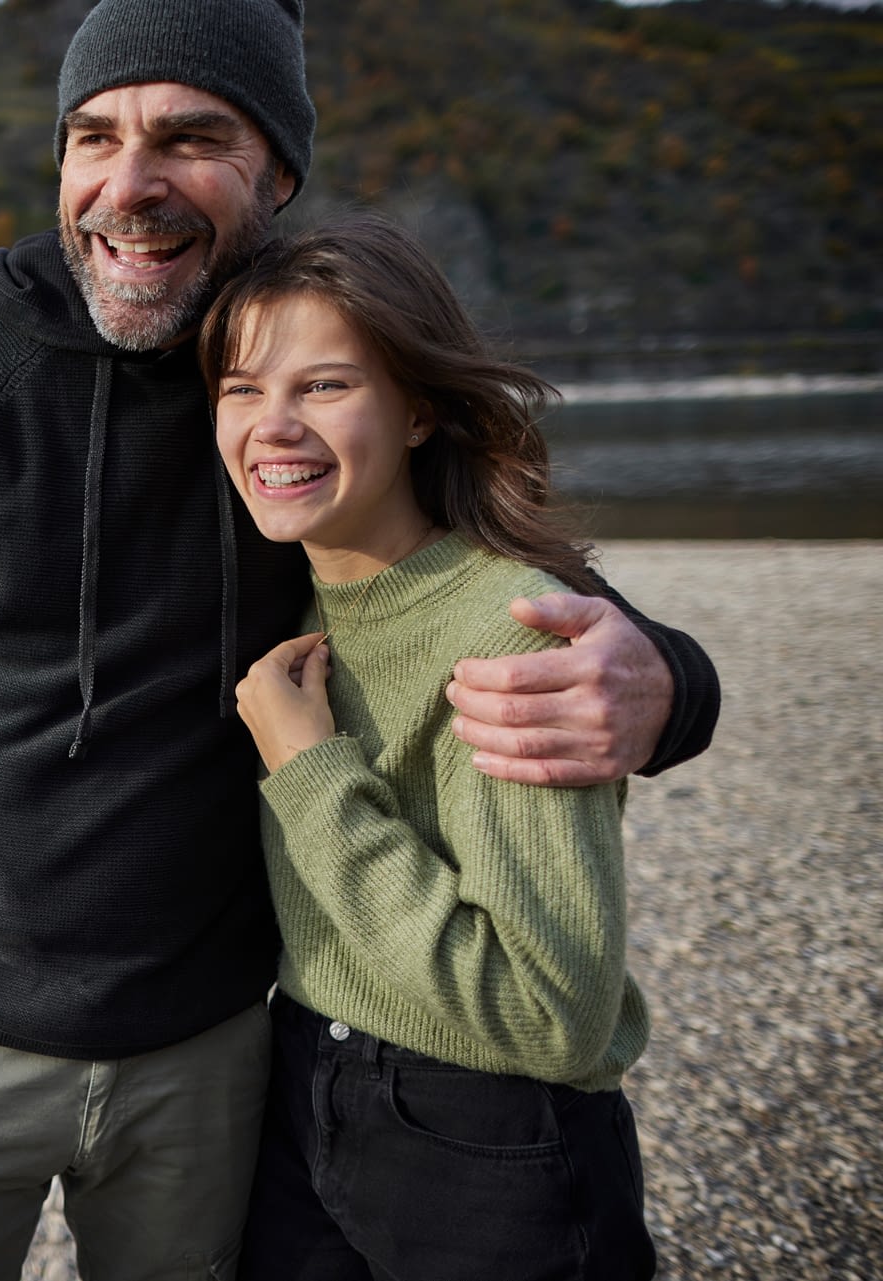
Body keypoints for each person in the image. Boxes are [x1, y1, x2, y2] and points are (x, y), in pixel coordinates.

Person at [0, 0, 718, 1276]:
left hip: (211, 1053)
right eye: (93, 137)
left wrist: (672, 688)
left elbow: (501, 570)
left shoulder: (294, 372)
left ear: (279, 173)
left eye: (189, 137)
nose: (129, 185)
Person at [204, 213, 662, 1279]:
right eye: (242, 389)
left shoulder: (511, 630)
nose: (273, 426)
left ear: (416, 409)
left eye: (323, 386)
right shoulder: (292, 592)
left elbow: (549, 1015)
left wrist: (312, 773)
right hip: (301, 1090)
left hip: (488, 1143)